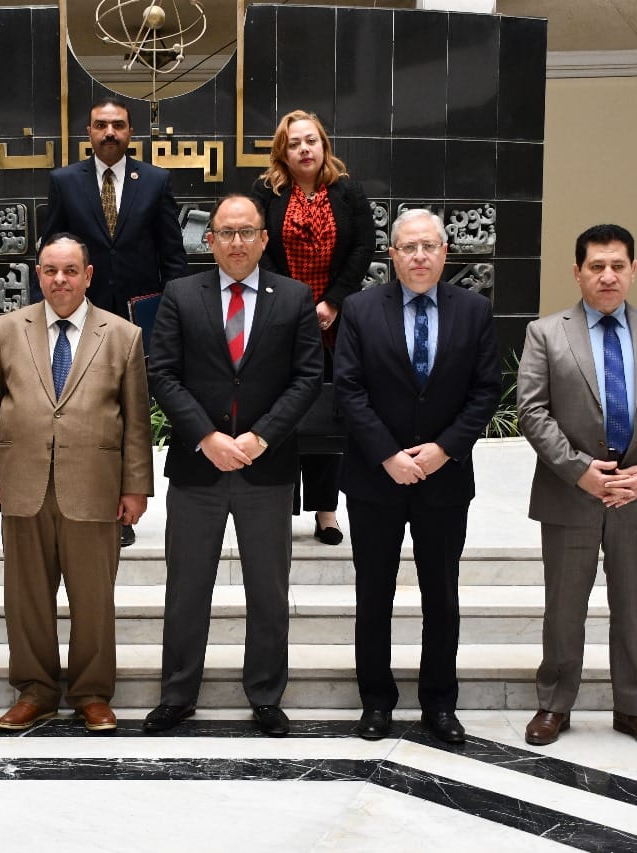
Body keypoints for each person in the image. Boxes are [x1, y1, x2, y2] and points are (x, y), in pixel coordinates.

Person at [144, 194, 322, 737]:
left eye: (247, 232)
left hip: (266, 469)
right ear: (210, 240)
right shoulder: (181, 295)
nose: (237, 242)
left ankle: (265, 695)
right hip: (198, 468)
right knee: (187, 589)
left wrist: (262, 437)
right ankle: (178, 695)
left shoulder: (294, 297)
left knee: (268, 590)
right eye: (226, 232)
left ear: (264, 239)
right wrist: (207, 437)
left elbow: (308, 377)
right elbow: (162, 372)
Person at [518, 224, 637, 752]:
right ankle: (554, 704)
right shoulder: (546, 333)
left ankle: (635, 709)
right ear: (577, 272)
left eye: (618, 265)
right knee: (564, 607)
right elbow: (532, 411)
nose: (608, 276)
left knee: (635, 609)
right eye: (596, 266)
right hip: (569, 493)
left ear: (633, 270)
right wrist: (580, 470)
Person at [0, 234, 153, 733]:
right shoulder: (7, 329)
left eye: (71, 270)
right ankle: (36, 691)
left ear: (88, 275)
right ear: (38, 275)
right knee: (26, 597)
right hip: (22, 484)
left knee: (94, 599)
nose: (60, 280)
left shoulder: (122, 335)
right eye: (50, 270)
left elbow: (137, 421)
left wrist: (135, 487)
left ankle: (92, 693)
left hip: (95, 487)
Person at [334, 209, 501, 744]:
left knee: (441, 595)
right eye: (409, 247)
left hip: (444, 480)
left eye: (429, 246)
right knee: (373, 594)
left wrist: (443, 450)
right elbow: (348, 388)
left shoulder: (474, 310)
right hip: (374, 478)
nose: (420, 256)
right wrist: (388, 454)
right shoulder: (360, 309)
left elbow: (485, 390)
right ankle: (376, 701)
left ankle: (440, 703)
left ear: (445, 252)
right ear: (392, 255)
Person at [41, 97, 188, 548]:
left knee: (129, 415)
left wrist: (171, 316)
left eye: (118, 125)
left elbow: (173, 256)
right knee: (84, 413)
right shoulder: (65, 181)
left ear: (130, 132)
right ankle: (83, 500)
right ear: (88, 131)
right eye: (101, 125)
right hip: (78, 317)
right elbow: (50, 250)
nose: (110, 132)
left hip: (137, 320)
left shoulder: (156, 181)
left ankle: (124, 509)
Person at [252, 109, 375, 546]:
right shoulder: (266, 192)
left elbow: (363, 247)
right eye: (294, 143)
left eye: (311, 141)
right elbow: (259, 250)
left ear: (324, 145)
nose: (304, 149)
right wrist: (295, 304)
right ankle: (281, 506)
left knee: (327, 413)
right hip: (281, 318)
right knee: (281, 412)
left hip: (335, 322)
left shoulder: (347, 190)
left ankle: (326, 510)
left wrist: (333, 301)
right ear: (282, 152)